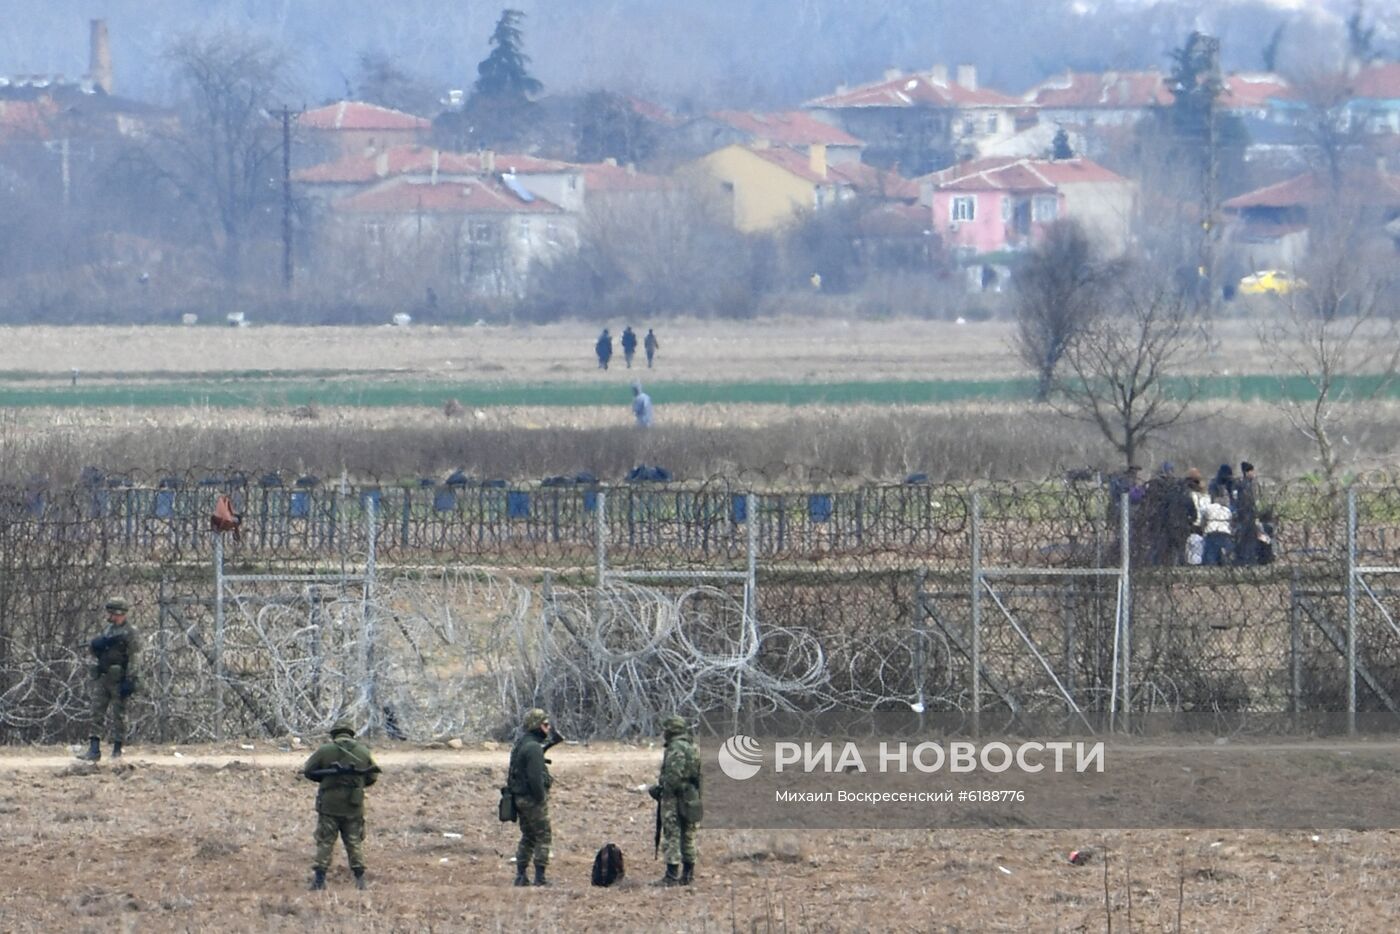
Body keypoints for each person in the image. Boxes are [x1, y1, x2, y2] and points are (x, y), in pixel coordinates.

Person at [302, 718, 381, 891]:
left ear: (334, 735)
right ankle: (360, 880)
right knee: (354, 842)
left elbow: (308, 771)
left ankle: (319, 880)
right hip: (354, 804)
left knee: (325, 841)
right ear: (351, 734)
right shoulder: (363, 751)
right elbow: (372, 777)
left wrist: (325, 778)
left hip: (329, 804)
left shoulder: (325, 751)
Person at [77, 597, 141, 762]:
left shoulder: (130, 632)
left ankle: (117, 750)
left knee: (119, 715)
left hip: (119, 679)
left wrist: (130, 679)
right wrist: (96, 647)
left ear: (119, 614)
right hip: (104, 676)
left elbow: (135, 657)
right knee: (96, 712)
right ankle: (94, 749)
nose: (110, 616)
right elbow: (97, 649)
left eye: (112, 613)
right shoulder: (108, 630)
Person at [649, 714, 702, 886]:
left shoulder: (676, 748)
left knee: (672, 834)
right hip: (692, 796)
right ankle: (688, 875)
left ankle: (671, 876)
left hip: (675, 797)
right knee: (689, 835)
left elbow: (673, 776)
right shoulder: (692, 747)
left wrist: (660, 791)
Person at [508, 708, 554, 887]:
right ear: (536, 726)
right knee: (543, 836)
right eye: (545, 725)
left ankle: (521, 875)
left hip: (519, 798)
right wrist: (541, 797)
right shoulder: (533, 748)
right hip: (531, 800)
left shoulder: (521, 744)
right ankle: (540, 877)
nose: (548, 728)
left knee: (528, 836)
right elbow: (535, 778)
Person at [1234, 461, 1261, 566]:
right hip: (1247, 516)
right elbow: (1246, 502)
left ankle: (1247, 560)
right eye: (1252, 471)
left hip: (1247, 516)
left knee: (1247, 540)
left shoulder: (1246, 484)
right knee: (1247, 540)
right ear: (1246, 472)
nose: (1254, 473)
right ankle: (1247, 561)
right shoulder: (1244, 486)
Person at [1200, 492, 1234, 566]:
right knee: (1225, 552)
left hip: (1212, 532)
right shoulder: (1227, 510)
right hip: (1225, 533)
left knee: (1210, 555)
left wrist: (1203, 530)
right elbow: (1231, 524)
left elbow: (1203, 522)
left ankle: (1211, 565)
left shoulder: (1208, 508)